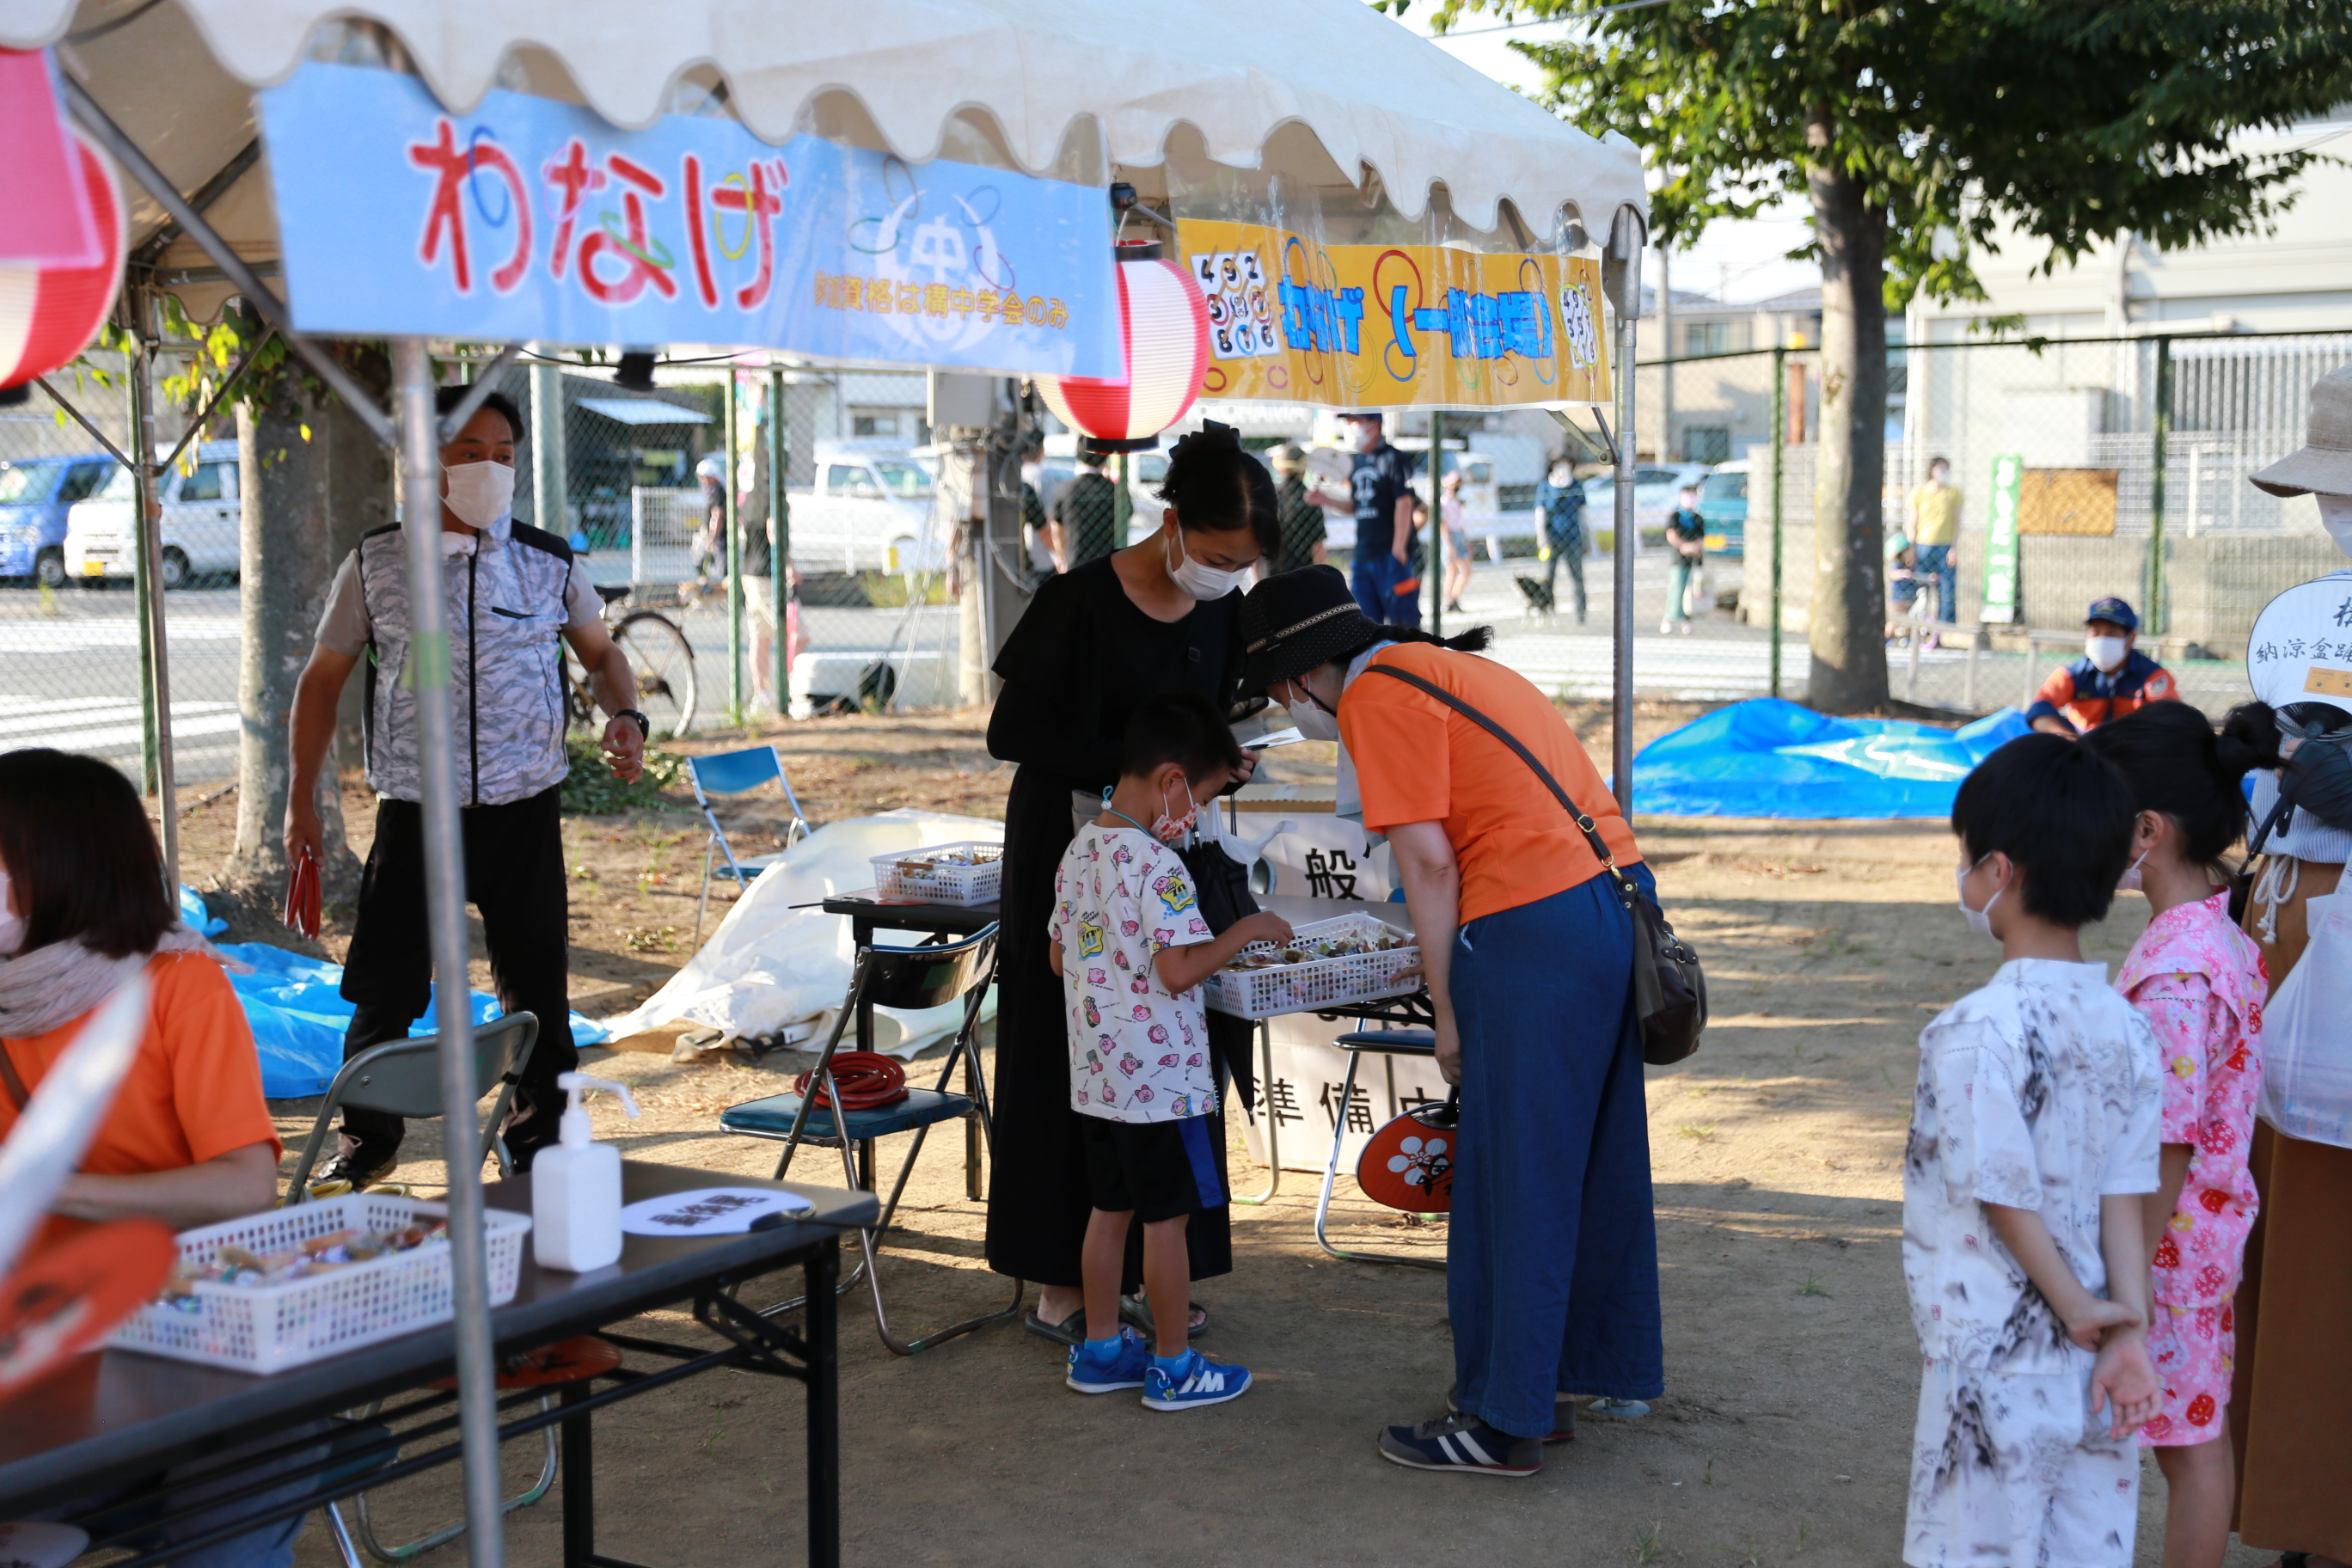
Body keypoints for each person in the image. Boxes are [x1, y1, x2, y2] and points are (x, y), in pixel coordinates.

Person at [1237, 565, 1658, 1478]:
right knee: (1584, 1166)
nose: (1291, 713)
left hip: (1528, 929)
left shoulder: (1376, 698)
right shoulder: (1447, 668)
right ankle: (1553, 1386)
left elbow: (1429, 866)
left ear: (1303, 675)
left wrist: (1447, 1010)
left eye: (1278, 693)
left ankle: (1503, 1422)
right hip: (1609, 910)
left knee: (1512, 1178)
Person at [285, 386, 648, 1190]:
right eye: (470, 454)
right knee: (383, 987)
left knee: (538, 989)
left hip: (524, 810)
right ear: (425, 462)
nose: (491, 470)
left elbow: (601, 655)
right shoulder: (377, 562)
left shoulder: (548, 560)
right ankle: (366, 1142)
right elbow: (320, 683)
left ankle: (537, 1143)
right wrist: (300, 801)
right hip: (416, 812)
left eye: (505, 457)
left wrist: (627, 715)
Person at [985, 423, 1278, 1348]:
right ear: (1174, 522)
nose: (1229, 577)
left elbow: (1221, 713)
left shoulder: (1224, 608)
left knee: (1175, 1044)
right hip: (1071, 858)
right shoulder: (1077, 602)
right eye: (1220, 557)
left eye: (1244, 565)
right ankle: (1062, 1281)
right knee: (1064, 1046)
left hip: (1171, 855)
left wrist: (1222, 763)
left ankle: (1167, 1266)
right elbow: (1011, 734)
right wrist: (1137, 774)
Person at [0, 748, 321, 1568]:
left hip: (207, 1348)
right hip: (44, 1362)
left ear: (58, 863)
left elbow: (244, 1186)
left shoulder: (178, 984)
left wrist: (47, 1190)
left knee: (220, 1550)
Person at [1908, 733, 2163, 1568]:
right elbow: (2127, 1190)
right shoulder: (2129, 1025)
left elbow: (2000, 1192)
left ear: (2000, 872)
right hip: (2095, 1371)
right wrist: (2125, 1326)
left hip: (1992, 1364)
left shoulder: (1976, 1031)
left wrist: (2084, 1313)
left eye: (1966, 861)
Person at [2078, 702, 2276, 1568]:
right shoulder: (2215, 937)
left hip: (2167, 1256)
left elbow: (2165, 1142)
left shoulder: (2175, 971)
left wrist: (2127, 1283)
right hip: (2201, 1245)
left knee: (2186, 1455)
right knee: (2196, 1441)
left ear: (2146, 830)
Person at [1049, 691, 1286, 1410]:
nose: (1197, 819)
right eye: (1204, 799)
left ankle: (1098, 1351)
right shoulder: (1159, 866)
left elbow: (1060, 958)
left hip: (1098, 1080)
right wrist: (1246, 931)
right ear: (1174, 781)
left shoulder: (1081, 846)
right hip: (1164, 1083)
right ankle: (1175, 1365)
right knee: (1168, 1222)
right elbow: (1177, 970)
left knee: (1108, 1213)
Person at [2225, 363, 2352, 1568]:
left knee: (2329, 1239)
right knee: (2279, 1227)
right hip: (2293, 934)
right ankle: (2298, 1507)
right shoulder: (2324, 615)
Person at [1313, 412, 1418, 627]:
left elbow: (1404, 502)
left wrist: (1398, 549)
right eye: (1348, 422)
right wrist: (1324, 499)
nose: (1350, 427)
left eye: (1355, 422)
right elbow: (1356, 506)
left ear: (1374, 425)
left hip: (1390, 555)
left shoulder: (1393, 458)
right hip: (1363, 555)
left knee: (1403, 623)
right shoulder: (1358, 461)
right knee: (1365, 623)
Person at [2026, 597, 2179, 737]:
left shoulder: (2152, 676)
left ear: (2131, 638)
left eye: (2111, 633)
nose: (2102, 639)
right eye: (2096, 632)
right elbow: (2039, 710)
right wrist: (2068, 739)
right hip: (2080, 743)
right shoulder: (2070, 675)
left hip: (2131, 748)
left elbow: (2171, 719)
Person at [1908, 456, 1961, 628]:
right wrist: (1911, 547)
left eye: (1946, 469)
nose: (1943, 472)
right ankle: (1917, 622)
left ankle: (1945, 625)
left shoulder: (1953, 494)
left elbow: (1956, 523)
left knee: (1946, 587)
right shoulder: (1919, 493)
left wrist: (1954, 548)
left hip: (1945, 545)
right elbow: (1913, 521)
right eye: (1940, 468)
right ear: (1931, 470)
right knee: (1921, 585)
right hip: (1923, 544)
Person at [1048, 447, 1121, 571]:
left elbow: (1057, 529)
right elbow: (1126, 516)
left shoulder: (1065, 489)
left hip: (1075, 563)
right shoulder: (1115, 491)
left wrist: (1062, 558)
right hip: (1109, 565)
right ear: (1106, 456)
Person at [1536, 456, 1589, 623]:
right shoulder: (1545, 486)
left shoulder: (1576, 485)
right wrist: (1541, 539)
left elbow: (1584, 513)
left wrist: (1588, 538)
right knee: (1548, 576)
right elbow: (1540, 514)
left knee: (1577, 576)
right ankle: (1545, 609)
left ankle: (1581, 612)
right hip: (1552, 539)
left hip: (1573, 538)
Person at [1268, 443, 1327, 573]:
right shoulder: (1310, 500)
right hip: (1304, 574)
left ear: (1281, 469)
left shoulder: (1271, 498)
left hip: (1273, 574)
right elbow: (1318, 548)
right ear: (1303, 469)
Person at [1662, 486, 1705, 635]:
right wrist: (1683, 546)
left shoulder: (1698, 518)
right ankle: (1669, 618)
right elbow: (1671, 534)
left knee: (1692, 592)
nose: (1690, 499)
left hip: (1695, 560)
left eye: (1693, 496)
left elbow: (1701, 538)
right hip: (1678, 559)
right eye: (1687, 496)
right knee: (1676, 589)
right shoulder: (1675, 516)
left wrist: (1694, 547)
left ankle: (1687, 620)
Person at [1439, 466, 1473, 614]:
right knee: (1452, 570)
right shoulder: (1444, 502)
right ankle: (1449, 600)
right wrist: (1449, 544)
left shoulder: (1457, 502)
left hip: (1458, 534)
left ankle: (1453, 597)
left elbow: (1460, 523)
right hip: (1450, 535)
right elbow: (1444, 525)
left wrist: (1466, 541)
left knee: (1465, 570)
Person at [1885, 523, 1920, 640]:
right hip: (1898, 601)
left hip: (1912, 599)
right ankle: (1886, 640)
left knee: (1912, 623)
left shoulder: (1915, 564)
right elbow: (1892, 574)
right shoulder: (1898, 565)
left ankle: (1909, 642)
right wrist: (1901, 574)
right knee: (1893, 622)